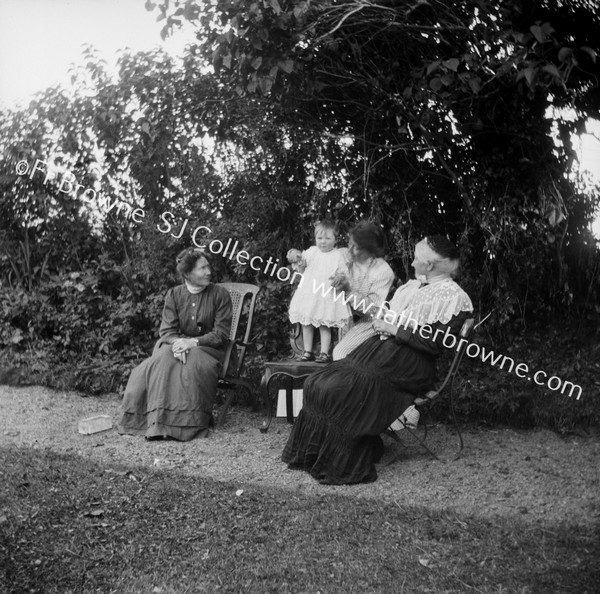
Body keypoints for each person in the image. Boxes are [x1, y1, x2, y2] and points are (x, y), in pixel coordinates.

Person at [281, 235, 474, 484]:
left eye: (416, 259)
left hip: (409, 365)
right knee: (318, 381)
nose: (412, 263)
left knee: (342, 389)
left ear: (430, 265)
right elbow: (387, 316)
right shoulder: (414, 287)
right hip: (380, 353)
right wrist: (384, 323)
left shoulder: (454, 297)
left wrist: (394, 330)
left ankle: (343, 459)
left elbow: (435, 344)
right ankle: (317, 453)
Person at [118, 248, 233, 441]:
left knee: (192, 362)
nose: (208, 272)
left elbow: (221, 334)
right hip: (178, 346)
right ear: (187, 274)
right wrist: (179, 343)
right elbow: (167, 331)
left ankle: (188, 424)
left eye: (208, 267)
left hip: (210, 349)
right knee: (161, 359)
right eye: (202, 268)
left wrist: (192, 342)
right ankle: (157, 422)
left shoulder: (219, 294)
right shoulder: (174, 294)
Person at [328, 220, 395, 360]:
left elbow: (372, 310)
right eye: (349, 243)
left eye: (356, 247)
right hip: (335, 315)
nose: (350, 250)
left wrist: (348, 291)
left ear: (371, 250)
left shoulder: (382, 271)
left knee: (340, 353)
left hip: (366, 322)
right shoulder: (343, 256)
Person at [287, 219, 352, 363]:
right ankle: (307, 351)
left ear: (335, 239)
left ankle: (324, 353)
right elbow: (302, 267)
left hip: (326, 294)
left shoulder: (337, 255)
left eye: (327, 238)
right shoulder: (312, 252)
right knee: (307, 322)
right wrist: (297, 258)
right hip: (309, 293)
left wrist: (339, 277)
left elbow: (344, 273)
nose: (323, 242)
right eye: (319, 238)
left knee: (324, 323)